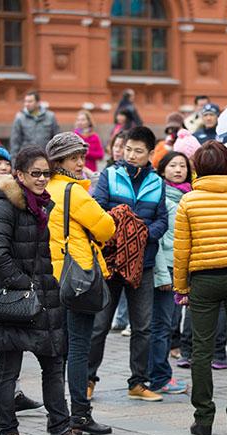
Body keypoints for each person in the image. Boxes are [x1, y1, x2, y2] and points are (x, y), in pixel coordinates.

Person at [0, 148, 94, 435]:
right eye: (36, 173)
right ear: (19, 175)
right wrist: (25, 286)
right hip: (14, 301)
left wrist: (42, 289)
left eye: (46, 173)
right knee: (8, 371)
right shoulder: (6, 206)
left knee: (53, 364)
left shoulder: (42, 205)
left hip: (45, 298)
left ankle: (60, 430)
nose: (43, 178)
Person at [173, 141, 227, 435]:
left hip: (203, 281)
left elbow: (181, 249)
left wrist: (181, 286)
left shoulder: (189, 201)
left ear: (197, 167)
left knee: (201, 349)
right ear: (226, 166)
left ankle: (203, 419)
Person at [89, 126, 168, 401]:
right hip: (110, 263)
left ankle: (138, 382)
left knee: (143, 326)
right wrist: (123, 230)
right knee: (100, 325)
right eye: (128, 149)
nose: (131, 155)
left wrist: (141, 234)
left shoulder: (158, 183)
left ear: (150, 154)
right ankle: (88, 379)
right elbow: (98, 209)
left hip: (143, 264)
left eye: (138, 151)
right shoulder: (110, 175)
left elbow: (162, 221)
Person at [45, 132, 116, 435]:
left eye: (80, 156)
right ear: (58, 162)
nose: (79, 162)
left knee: (58, 350)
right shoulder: (74, 192)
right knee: (78, 348)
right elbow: (106, 228)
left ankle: (59, 414)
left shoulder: (46, 189)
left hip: (52, 277)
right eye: (73, 158)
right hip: (77, 279)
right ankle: (80, 414)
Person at [149, 151, 192, 395]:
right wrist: (164, 276)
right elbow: (160, 239)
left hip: (178, 268)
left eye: (182, 166)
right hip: (164, 269)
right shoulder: (161, 197)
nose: (178, 169)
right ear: (162, 169)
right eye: (173, 165)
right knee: (161, 325)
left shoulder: (188, 195)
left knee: (166, 323)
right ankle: (159, 376)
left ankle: (155, 374)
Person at [9, 91, 60, 157]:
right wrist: (13, 161)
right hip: (26, 158)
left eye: (30, 101)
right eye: (25, 101)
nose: (26, 104)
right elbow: (15, 142)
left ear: (38, 103)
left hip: (45, 157)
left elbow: (57, 138)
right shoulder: (20, 117)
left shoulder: (50, 116)